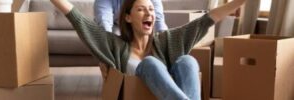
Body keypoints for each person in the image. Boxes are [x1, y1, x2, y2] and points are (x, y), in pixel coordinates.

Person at [50, 0, 250, 99]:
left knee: (188, 61)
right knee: (150, 63)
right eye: (141, 9)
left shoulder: (166, 41)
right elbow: (76, 17)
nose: (149, 13)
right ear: (127, 17)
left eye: (152, 9)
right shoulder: (115, 45)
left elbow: (208, 18)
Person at [94, 0, 168, 35]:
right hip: (117, 26)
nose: (148, 13)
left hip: (141, 25)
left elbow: (159, 22)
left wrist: (166, 39)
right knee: (115, 34)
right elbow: (104, 23)